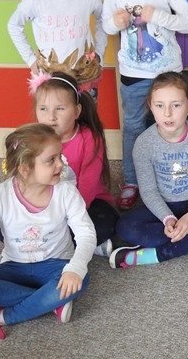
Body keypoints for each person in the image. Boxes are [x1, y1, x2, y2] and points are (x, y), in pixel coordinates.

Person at [0, 124, 96, 339]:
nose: (61, 164)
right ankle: (48, 302)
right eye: (51, 160)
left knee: (81, 277)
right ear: (25, 169)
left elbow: (86, 234)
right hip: (14, 267)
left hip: (55, 265)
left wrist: (75, 268)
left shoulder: (66, 191)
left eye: (60, 156)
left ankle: (2, 316)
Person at [102, 0, 188, 211]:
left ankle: (184, 174)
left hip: (168, 74)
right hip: (133, 74)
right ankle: (132, 181)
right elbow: (106, 26)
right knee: (134, 126)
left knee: (179, 123)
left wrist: (158, 16)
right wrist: (116, 23)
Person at [109, 72, 188, 268]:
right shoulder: (143, 143)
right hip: (161, 208)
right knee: (125, 227)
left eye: (176, 105)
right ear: (151, 107)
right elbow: (148, 190)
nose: (167, 113)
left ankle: (153, 255)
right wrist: (167, 218)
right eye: (159, 105)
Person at [31, 72, 118, 256]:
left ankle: (53, 244)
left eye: (60, 109)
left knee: (107, 223)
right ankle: (76, 243)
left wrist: (64, 218)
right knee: (4, 226)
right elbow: (30, 184)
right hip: (47, 203)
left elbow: (88, 185)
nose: (51, 117)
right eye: (43, 109)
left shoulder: (89, 138)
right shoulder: (33, 139)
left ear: (77, 111)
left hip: (85, 203)